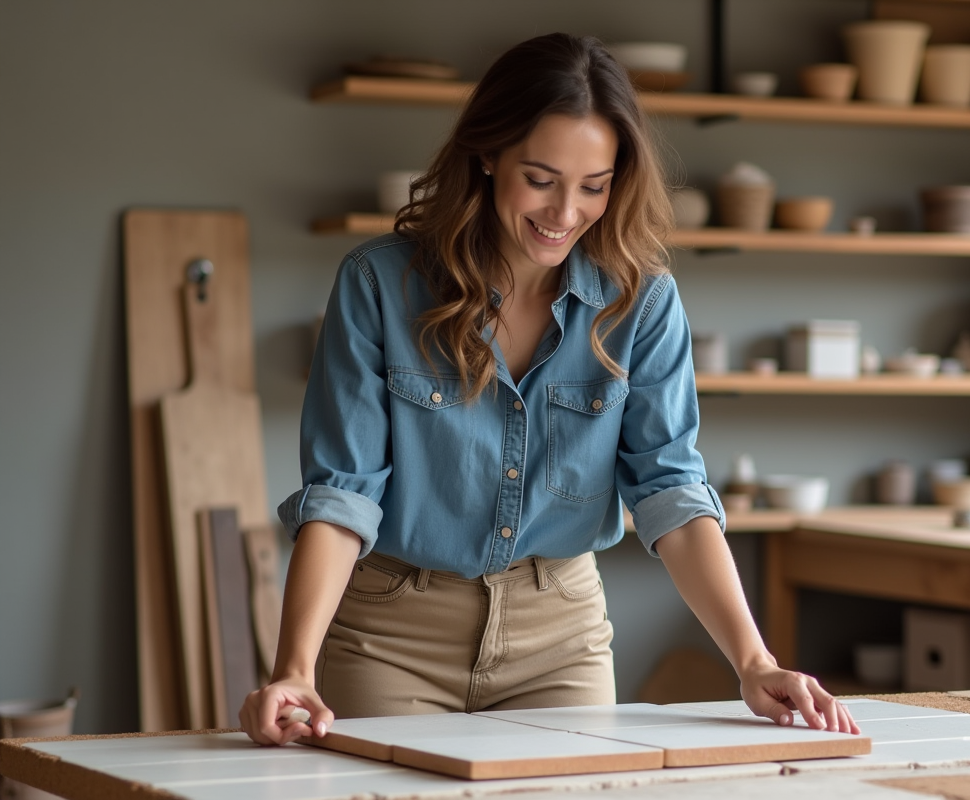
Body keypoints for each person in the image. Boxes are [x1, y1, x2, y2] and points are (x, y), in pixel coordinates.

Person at [240, 32, 858, 746]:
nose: (566, 212)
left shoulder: (643, 302)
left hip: (560, 637)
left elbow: (670, 491)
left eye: (594, 186)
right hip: (390, 635)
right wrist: (295, 669)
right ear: (488, 153)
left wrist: (754, 662)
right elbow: (342, 492)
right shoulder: (379, 284)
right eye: (540, 178)